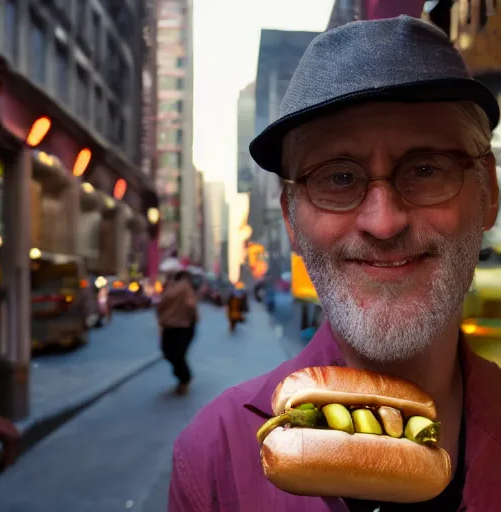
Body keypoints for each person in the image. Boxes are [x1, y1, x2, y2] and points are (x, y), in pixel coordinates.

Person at [168, 16, 501, 510]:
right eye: (338, 179)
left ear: (488, 192)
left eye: (427, 169)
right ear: (290, 220)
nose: (384, 223)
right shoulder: (213, 456)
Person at [157, 270, 198, 395]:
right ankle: (184, 378)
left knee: (172, 353)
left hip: (176, 326)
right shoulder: (185, 288)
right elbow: (191, 306)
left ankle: (184, 378)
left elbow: (160, 305)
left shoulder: (172, 286)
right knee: (176, 354)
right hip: (182, 325)